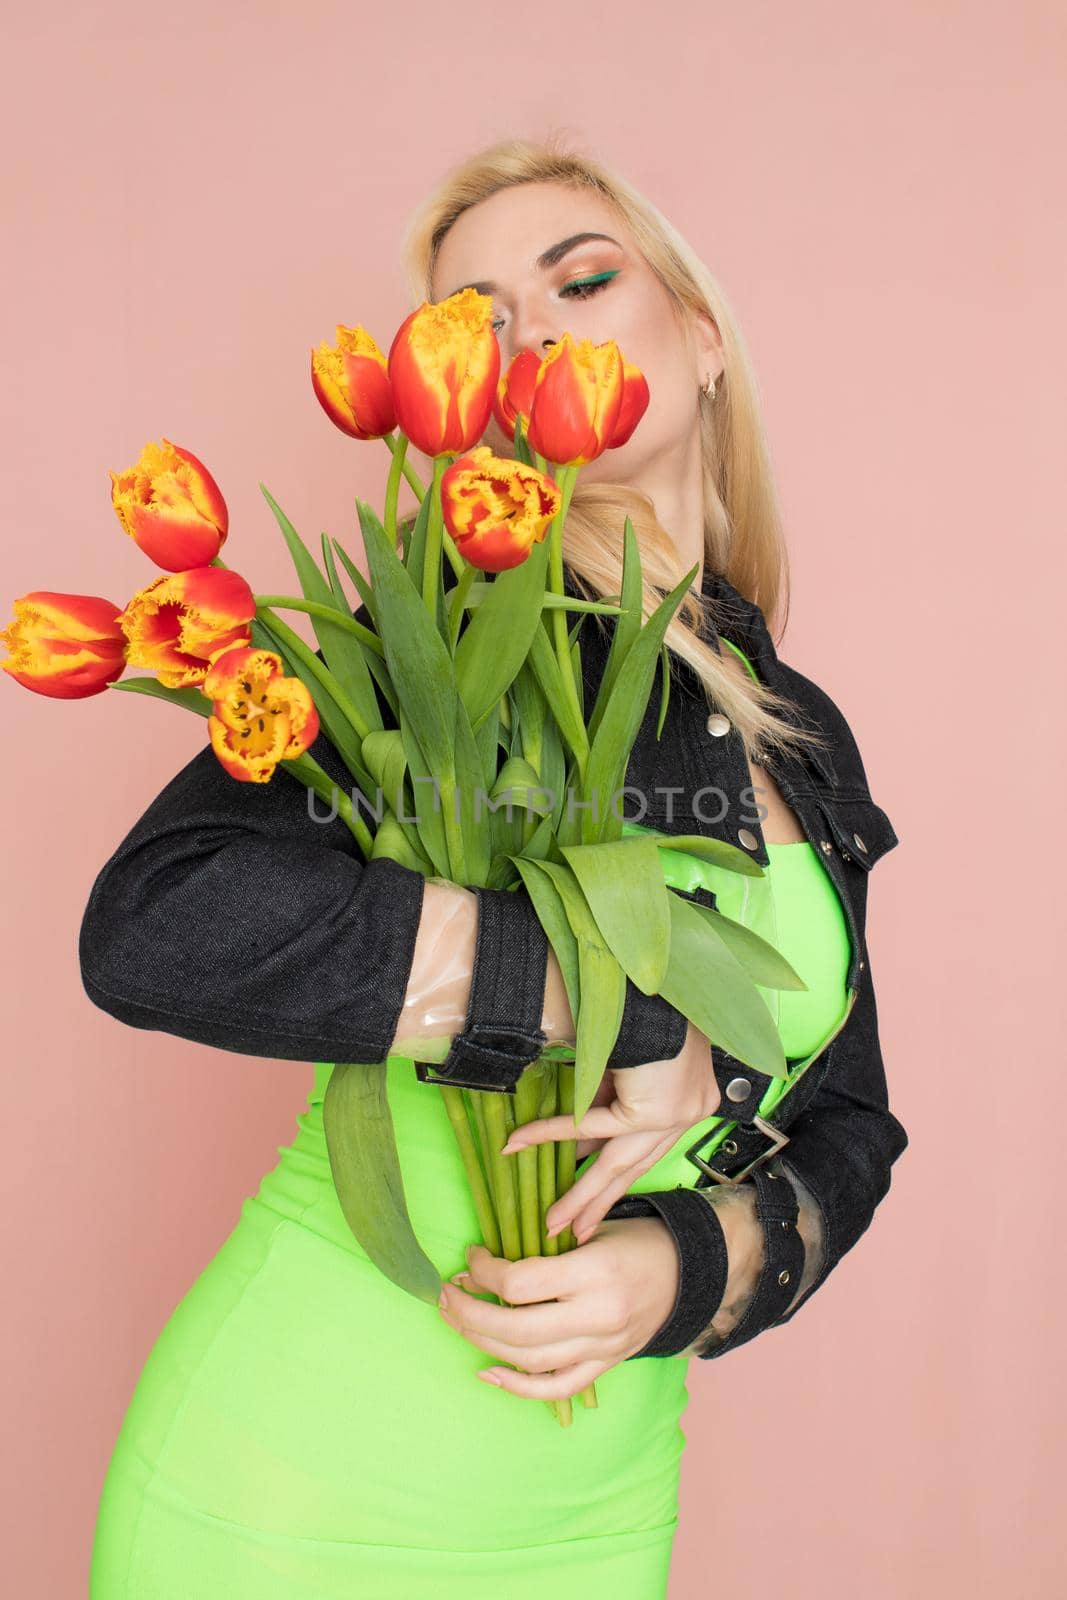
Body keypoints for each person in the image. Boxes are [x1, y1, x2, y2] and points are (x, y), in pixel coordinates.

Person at [81, 137, 908, 1598]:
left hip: (592, 1518)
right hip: (296, 1485)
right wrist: (627, 1005)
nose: (531, 341)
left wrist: (685, 1270)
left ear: (702, 338)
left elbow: (847, 1129)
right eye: (477, 325)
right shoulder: (431, 669)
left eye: (581, 281)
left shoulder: (801, 730)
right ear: (459, 417)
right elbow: (158, 920)